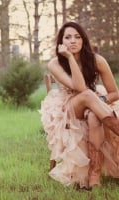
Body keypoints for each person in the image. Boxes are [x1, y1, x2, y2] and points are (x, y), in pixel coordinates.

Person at [39, 21, 119, 190]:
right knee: (88, 95)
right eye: (68, 37)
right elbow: (80, 88)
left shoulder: (97, 60)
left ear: (84, 41)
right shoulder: (55, 63)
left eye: (77, 37)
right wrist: (69, 57)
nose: (73, 41)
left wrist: (99, 103)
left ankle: (94, 174)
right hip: (68, 105)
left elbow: (114, 92)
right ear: (61, 43)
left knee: (92, 115)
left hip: (93, 102)